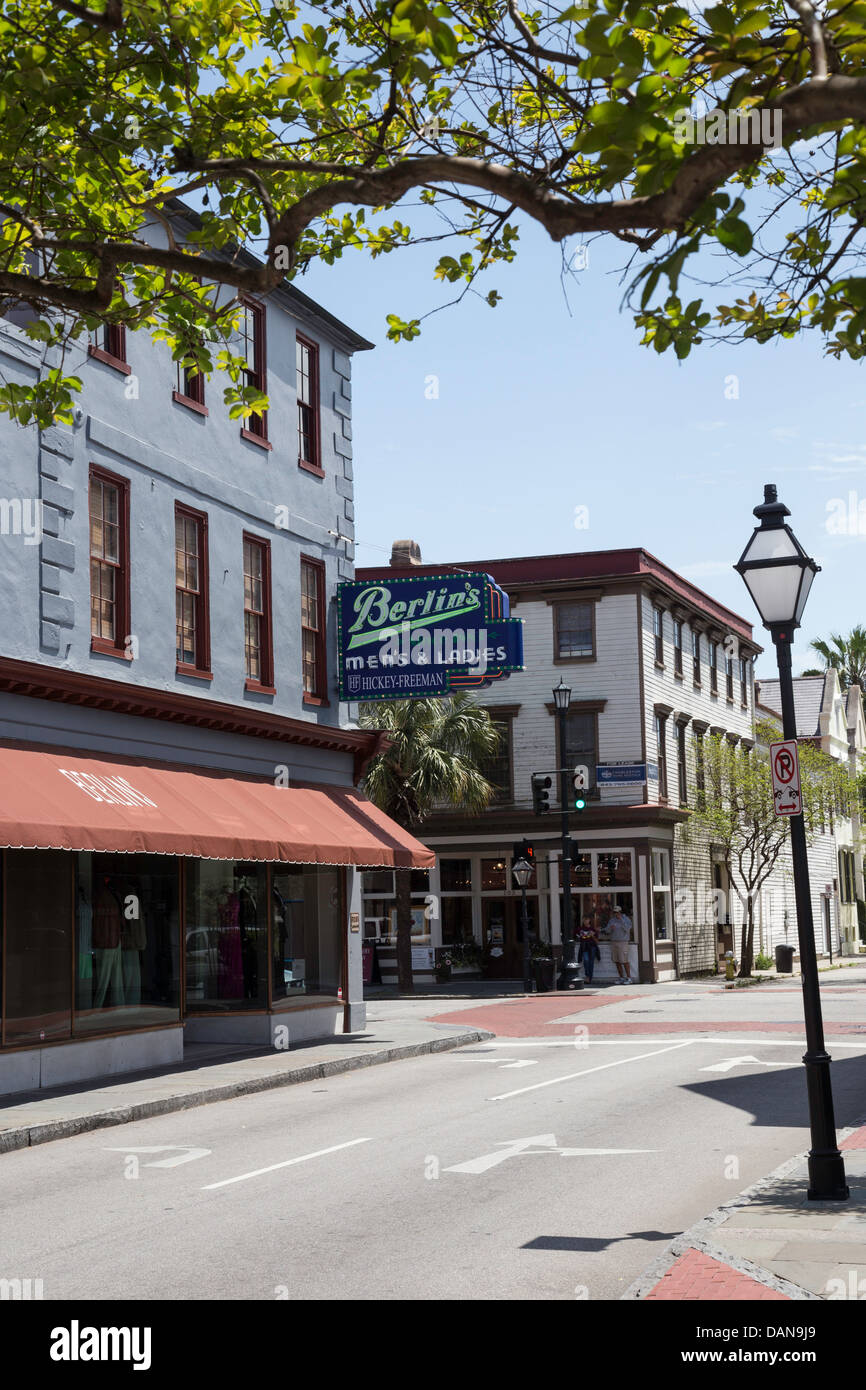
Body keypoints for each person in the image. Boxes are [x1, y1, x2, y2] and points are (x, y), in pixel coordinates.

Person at [607, 905, 633, 983]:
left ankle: (629, 978)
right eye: (614, 912)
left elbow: (628, 929)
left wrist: (621, 920)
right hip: (614, 941)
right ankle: (621, 978)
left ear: (620, 912)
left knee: (624, 960)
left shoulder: (626, 919)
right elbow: (607, 931)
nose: (615, 914)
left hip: (623, 942)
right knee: (617, 961)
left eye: (617, 912)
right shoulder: (612, 920)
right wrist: (609, 928)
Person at [577, 915, 600, 985]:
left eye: (586, 919)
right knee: (586, 961)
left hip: (592, 947)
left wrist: (592, 935)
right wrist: (580, 936)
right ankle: (587, 976)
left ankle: (589, 978)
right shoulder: (580, 929)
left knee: (591, 963)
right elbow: (577, 938)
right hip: (584, 947)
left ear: (589, 920)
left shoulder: (593, 929)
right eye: (584, 920)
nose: (585, 921)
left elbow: (597, 941)